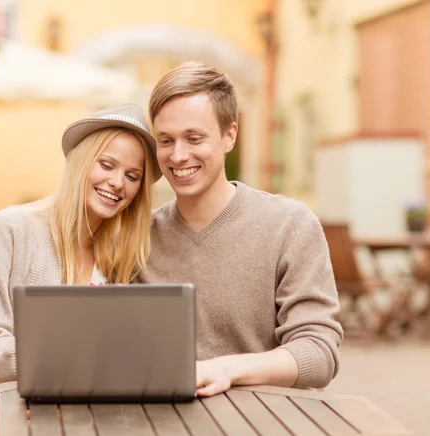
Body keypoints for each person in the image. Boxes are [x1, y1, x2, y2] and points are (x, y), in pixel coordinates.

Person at [138, 62, 343, 396]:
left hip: (268, 422)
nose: (177, 155)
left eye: (194, 138)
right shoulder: (140, 238)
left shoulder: (289, 225)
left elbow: (319, 354)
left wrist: (225, 369)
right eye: (165, 140)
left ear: (229, 135)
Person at [0, 103, 161, 392]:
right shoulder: (8, 230)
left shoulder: (120, 255)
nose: (117, 182)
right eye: (106, 165)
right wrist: (74, 357)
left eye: (132, 176)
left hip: (80, 404)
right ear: (82, 161)